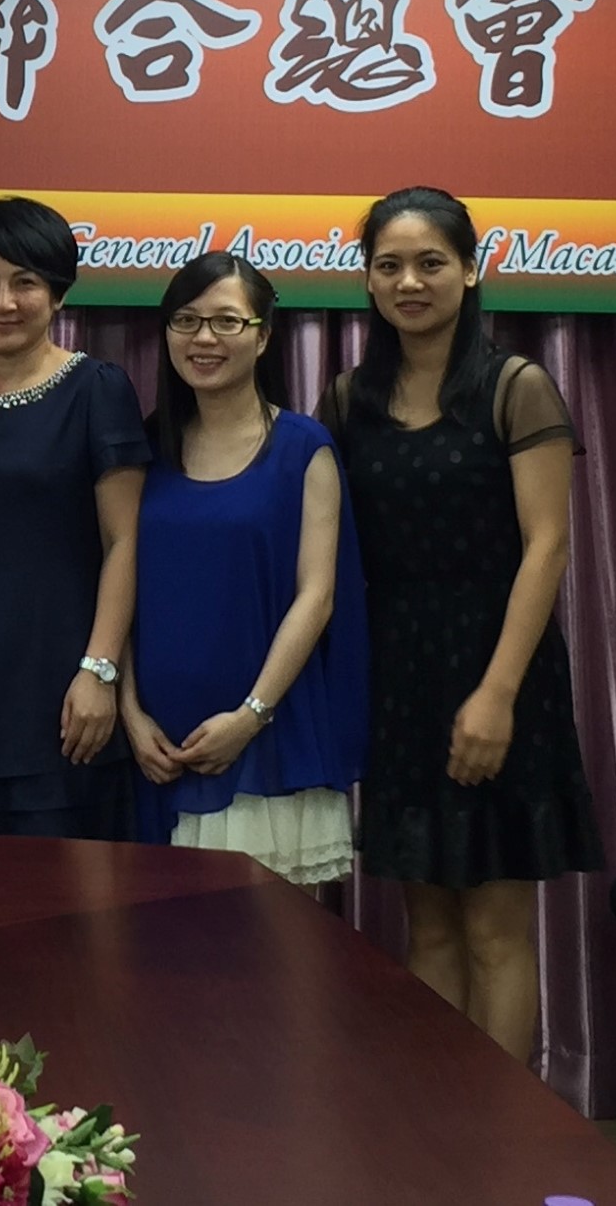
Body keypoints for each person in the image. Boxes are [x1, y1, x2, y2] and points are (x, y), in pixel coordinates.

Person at [320, 186, 604, 1062]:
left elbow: (548, 547)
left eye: (430, 263)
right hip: (399, 676)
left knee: (493, 930)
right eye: (389, 265)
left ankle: (502, 1135)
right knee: (430, 927)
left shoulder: (516, 386)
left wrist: (497, 695)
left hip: (500, 669)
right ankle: (439, 1123)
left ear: (471, 270)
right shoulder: (348, 399)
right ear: (368, 280)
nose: (409, 282)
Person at [0, 198, 151, 839]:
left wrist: (99, 671)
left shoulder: (98, 389)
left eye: (26, 282)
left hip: (66, 698)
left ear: (58, 293)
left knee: (67, 893)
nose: (4, 302)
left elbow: (124, 541)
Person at [123, 252, 368, 886]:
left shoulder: (303, 448)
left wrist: (251, 716)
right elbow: (116, 583)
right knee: (155, 942)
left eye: (227, 321)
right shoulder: (141, 449)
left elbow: (317, 596)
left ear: (262, 337)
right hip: (153, 750)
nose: (204, 338)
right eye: (186, 320)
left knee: (266, 942)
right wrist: (129, 713)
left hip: (265, 745)